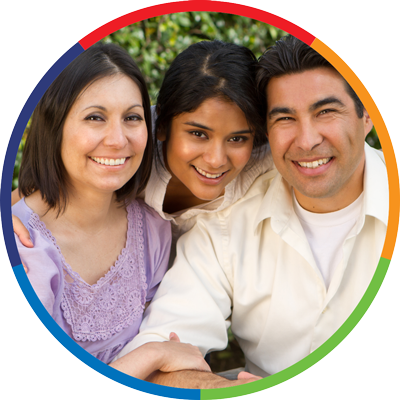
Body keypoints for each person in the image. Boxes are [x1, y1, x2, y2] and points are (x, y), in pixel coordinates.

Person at [113, 35, 388, 387]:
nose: (306, 141)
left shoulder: (245, 180)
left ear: (368, 115)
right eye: (285, 118)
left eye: (325, 112)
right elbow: (159, 351)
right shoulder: (223, 222)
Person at [12, 42, 210, 379]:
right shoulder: (23, 244)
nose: (118, 139)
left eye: (132, 117)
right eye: (95, 117)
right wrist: (156, 353)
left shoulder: (151, 230)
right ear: (55, 126)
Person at [13, 40, 273, 266]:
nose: (216, 159)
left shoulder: (269, 160)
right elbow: (42, 185)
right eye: (198, 134)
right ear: (160, 126)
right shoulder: (129, 142)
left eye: (237, 138)